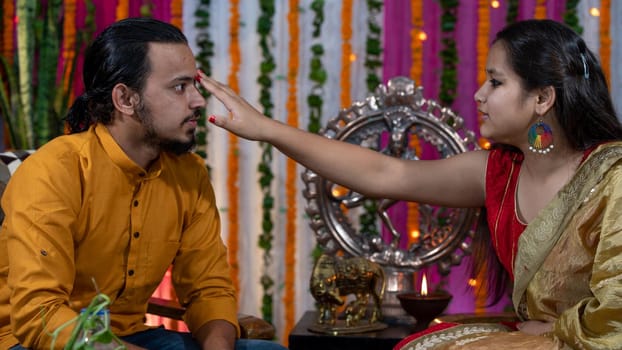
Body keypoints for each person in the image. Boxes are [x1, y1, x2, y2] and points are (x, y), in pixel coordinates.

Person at [199, 19, 622, 349]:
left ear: (542, 99)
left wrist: (555, 332)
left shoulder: (612, 176)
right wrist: (267, 129)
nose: (478, 94)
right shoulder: (497, 173)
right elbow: (387, 174)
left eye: (495, 82)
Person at [0, 18, 287, 350]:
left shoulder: (189, 175)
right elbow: (40, 315)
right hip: (38, 341)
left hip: (132, 337)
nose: (198, 101)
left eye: (194, 85)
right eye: (179, 87)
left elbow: (208, 289)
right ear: (125, 99)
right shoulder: (54, 172)